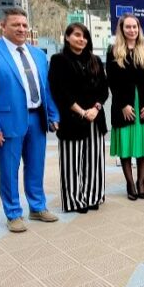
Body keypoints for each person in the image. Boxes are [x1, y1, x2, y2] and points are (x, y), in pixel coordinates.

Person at [0, 8, 60, 233]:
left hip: (36, 119)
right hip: (7, 122)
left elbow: (46, 88)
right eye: (16, 25)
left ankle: (37, 207)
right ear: (3, 26)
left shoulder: (38, 54)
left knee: (36, 166)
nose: (21, 29)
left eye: (24, 25)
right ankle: (13, 213)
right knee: (9, 169)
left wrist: (53, 115)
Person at [49, 23, 109, 213]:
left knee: (94, 161)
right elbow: (59, 91)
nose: (81, 39)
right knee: (72, 163)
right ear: (67, 37)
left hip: (95, 118)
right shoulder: (58, 60)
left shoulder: (95, 60)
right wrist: (82, 111)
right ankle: (75, 200)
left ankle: (93, 196)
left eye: (84, 36)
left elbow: (103, 89)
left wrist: (96, 108)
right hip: (71, 119)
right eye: (76, 35)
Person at [108, 14, 144, 201]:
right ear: (122, 29)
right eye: (128, 27)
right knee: (126, 147)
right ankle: (130, 183)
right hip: (125, 106)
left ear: (139, 29)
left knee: (142, 148)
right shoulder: (113, 51)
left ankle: (141, 182)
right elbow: (112, 82)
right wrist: (123, 105)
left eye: (135, 27)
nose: (132, 30)